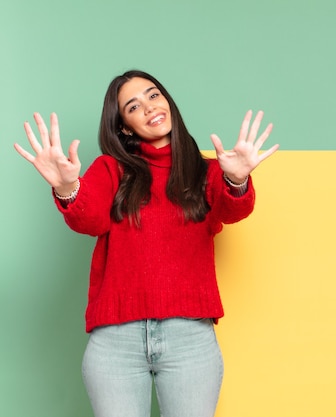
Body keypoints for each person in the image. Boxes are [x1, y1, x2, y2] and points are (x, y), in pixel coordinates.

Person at [13, 69, 279, 417]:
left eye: (153, 95)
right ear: (123, 126)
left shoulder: (207, 171)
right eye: (133, 107)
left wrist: (237, 178)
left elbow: (234, 210)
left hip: (190, 339)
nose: (150, 107)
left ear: (166, 101)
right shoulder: (111, 170)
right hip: (115, 342)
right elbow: (88, 218)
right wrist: (67, 188)